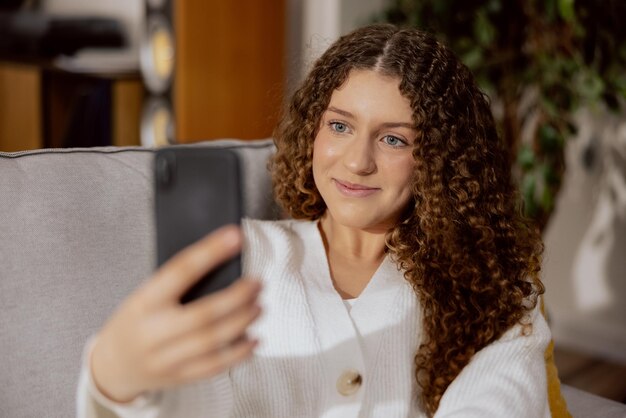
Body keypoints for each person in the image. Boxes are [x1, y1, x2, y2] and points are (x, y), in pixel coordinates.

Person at [77, 24, 550, 417]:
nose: (357, 161)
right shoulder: (244, 254)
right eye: (340, 126)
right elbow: (192, 399)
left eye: (394, 140)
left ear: (442, 160)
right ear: (312, 129)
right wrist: (116, 379)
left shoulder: (493, 287)